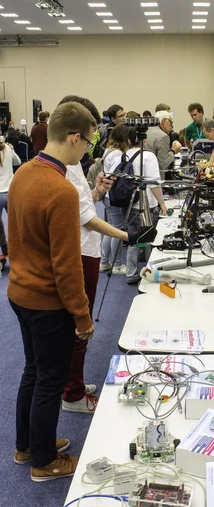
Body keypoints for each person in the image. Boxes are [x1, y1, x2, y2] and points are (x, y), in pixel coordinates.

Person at [8, 101, 95, 482]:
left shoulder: (24, 173)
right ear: (75, 138)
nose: (86, 151)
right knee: (50, 381)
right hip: (47, 301)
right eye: (88, 144)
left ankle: (27, 444)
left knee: (33, 372)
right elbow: (66, 266)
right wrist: (82, 316)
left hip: (19, 292)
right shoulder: (61, 191)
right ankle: (43, 462)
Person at [57, 96, 131, 414]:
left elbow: (84, 203)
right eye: (90, 136)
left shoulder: (72, 166)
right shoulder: (66, 167)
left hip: (85, 249)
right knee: (81, 325)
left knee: (78, 325)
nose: (92, 143)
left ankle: (72, 381)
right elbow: (86, 218)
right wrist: (128, 235)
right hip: (81, 252)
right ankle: (71, 393)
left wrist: (97, 189)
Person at [101, 124, 167, 285]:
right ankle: (146, 269)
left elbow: (110, 178)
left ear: (129, 140)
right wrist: (163, 204)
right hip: (146, 204)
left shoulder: (121, 156)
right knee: (148, 235)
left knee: (132, 236)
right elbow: (154, 184)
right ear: (144, 140)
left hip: (127, 202)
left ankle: (132, 271)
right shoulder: (149, 157)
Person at [0, 138, 21, 261]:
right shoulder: (8, 148)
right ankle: (19, 248)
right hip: (10, 191)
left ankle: (4, 246)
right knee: (16, 222)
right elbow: (18, 161)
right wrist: (11, 150)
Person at [145, 110, 181, 179]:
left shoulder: (146, 131)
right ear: (164, 121)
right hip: (155, 178)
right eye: (171, 123)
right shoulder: (163, 137)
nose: (171, 127)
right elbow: (163, 165)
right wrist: (173, 151)